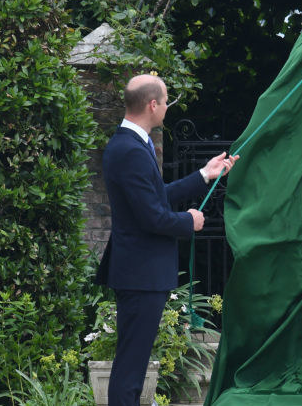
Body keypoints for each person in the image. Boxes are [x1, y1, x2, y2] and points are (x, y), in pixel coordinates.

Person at [95, 74, 238, 406]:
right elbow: (152, 218)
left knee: (133, 361)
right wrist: (190, 221)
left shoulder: (135, 143)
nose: (168, 108)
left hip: (141, 271)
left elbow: (156, 197)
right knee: (131, 366)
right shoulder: (128, 149)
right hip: (139, 273)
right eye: (167, 101)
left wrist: (205, 174)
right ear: (152, 104)